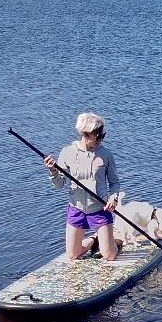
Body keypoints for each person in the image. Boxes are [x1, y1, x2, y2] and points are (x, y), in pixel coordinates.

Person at [43, 112, 121, 262]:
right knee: (73, 255)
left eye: (102, 135)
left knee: (109, 255)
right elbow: (59, 185)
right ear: (85, 134)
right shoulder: (67, 153)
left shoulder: (105, 155)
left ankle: (114, 243)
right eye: (97, 136)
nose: (101, 139)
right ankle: (94, 239)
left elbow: (114, 182)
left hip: (100, 208)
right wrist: (52, 170)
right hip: (76, 209)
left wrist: (113, 198)